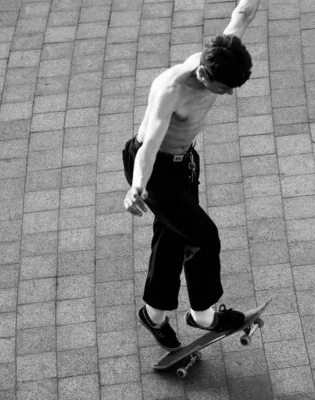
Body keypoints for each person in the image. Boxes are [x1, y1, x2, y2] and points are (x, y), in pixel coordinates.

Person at [122, 0, 261, 351]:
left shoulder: (222, 54)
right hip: (154, 171)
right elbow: (148, 147)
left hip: (184, 163)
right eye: (224, 88)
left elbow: (242, 14)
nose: (228, 94)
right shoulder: (171, 89)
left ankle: (153, 315)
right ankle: (203, 315)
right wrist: (137, 187)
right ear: (204, 74)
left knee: (173, 237)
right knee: (204, 235)